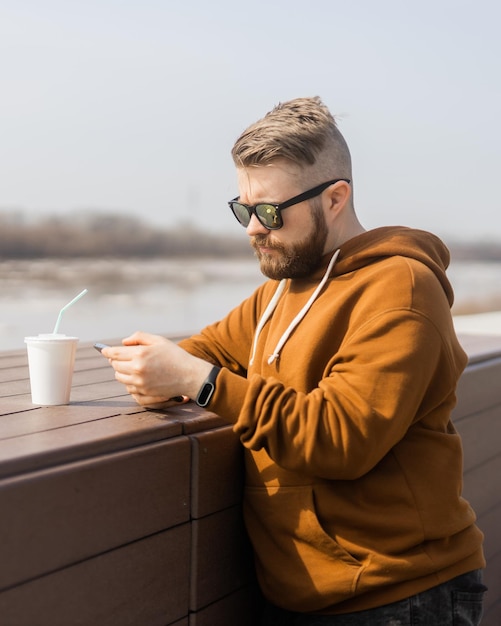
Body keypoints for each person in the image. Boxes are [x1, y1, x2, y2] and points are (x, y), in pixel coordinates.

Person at [103, 96, 487, 625]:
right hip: (297, 592)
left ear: (335, 198)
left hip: (398, 594)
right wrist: (160, 373)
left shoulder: (401, 288)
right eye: (244, 209)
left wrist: (198, 381)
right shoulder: (283, 293)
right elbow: (203, 352)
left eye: (269, 211)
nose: (252, 229)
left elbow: (341, 438)